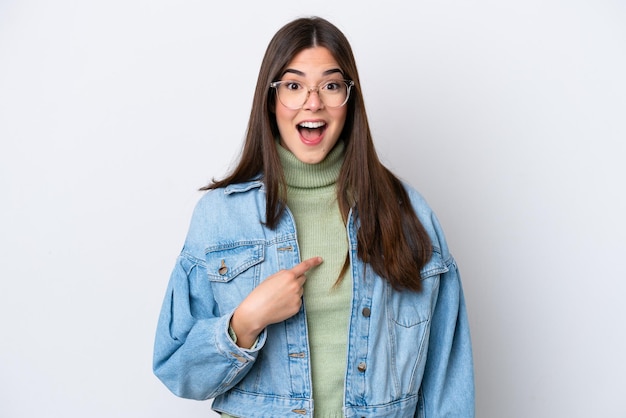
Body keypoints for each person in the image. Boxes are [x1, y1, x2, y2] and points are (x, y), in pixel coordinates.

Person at [153, 16, 474, 418]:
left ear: (349, 98)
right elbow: (178, 370)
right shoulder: (220, 217)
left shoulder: (410, 214)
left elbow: (446, 383)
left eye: (331, 85)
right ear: (271, 99)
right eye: (293, 85)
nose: (313, 102)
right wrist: (245, 322)